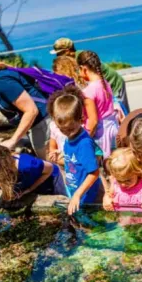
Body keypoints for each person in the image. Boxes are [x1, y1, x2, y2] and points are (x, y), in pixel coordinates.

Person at [0, 140, 63, 248]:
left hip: (51, 180)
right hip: (25, 183)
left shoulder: (26, 165)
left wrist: (30, 189)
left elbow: (49, 169)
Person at [47, 86, 103, 215]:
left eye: (70, 129)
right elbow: (75, 156)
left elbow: (94, 173)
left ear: (81, 119)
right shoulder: (70, 137)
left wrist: (78, 194)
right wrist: (61, 153)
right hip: (75, 189)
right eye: (62, 130)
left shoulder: (84, 144)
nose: (67, 133)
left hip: (88, 195)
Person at [50, 37, 130, 113]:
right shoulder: (74, 59)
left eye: (59, 53)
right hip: (104, 86)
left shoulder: (82, 58)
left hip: (114, 84)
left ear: (68, 51)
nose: (58, 56)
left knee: (122, 111)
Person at [77, 50, 119, 158]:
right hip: (113, 128)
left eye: (79, 70)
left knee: (104, 165)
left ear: (84, 69)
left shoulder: (88, 92)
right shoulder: (105, 83)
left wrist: (84, 141)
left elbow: (93, 121)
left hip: (101, 135)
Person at [104, 147, 142, 212]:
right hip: (124, 220)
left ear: (138, 172)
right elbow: (108, 195)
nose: (123, 184)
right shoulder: (115, 184)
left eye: (128, 180)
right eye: (119, 180)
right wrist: (106, 200)